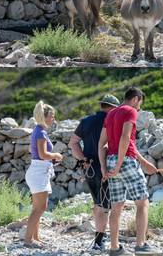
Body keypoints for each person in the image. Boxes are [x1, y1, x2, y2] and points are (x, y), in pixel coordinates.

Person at [99, 88, 163, 256]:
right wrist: (120, 164)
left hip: (111, 160)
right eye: (140, 103)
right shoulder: (130, 111)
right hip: (124, 161)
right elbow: (125, 138)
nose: (140, 107)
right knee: (142, 203)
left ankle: (114, 248)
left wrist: (105, 168)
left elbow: (102, 144)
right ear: (135, 99)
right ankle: (140, 245)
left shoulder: (111, 114)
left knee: (117, 206)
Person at [69, 94, 120, 250]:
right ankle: (99, 241)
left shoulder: (86, 121)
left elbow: (73, 143)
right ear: (111, 108)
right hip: (107, 168)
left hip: (89, 168)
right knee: (104, 206)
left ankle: (100, 239)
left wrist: (83, 159)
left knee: (98, 203)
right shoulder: (112, 121)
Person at [24, 101, 63, 247]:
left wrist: (48, 158)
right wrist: (56, 155)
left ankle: (35, 238)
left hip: (38, 171)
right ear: (44, 117)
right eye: (52, 116)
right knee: (40, 208)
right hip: (39, 173)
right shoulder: (40, 131)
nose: (53, 119)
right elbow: (43, 154)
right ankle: (28, 240)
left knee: (37, 208)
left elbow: (31, 150)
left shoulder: (38, 131)